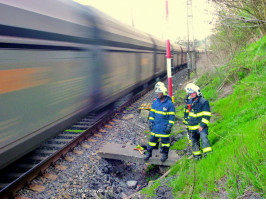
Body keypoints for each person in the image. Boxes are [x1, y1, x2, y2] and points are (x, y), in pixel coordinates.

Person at [145, 85, 175, 162]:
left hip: (164, 127)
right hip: (156, 126)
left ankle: (165, 155)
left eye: (159, 93)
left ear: (164, 93)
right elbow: (152, 114)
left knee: (165, 142)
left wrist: (169, 126)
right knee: (151, 141)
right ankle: (149, 153)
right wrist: (150, 123)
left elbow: (171, 117)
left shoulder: (169, 104)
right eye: (157, 93)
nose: (158, 94)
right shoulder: (155, 103)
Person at [185, 83, 212, 159]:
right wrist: (187, 124)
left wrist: (202, 125)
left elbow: (207, 115)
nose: (192, 94)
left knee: (204, 139)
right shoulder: (189, 102)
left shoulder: (203, 102)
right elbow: (187, 114)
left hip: (201, 127)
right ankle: (197, 158)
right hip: (192, 128)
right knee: (194, 143)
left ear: (197, 92)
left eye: (193, 93)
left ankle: (208, 156)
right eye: (190, 93)